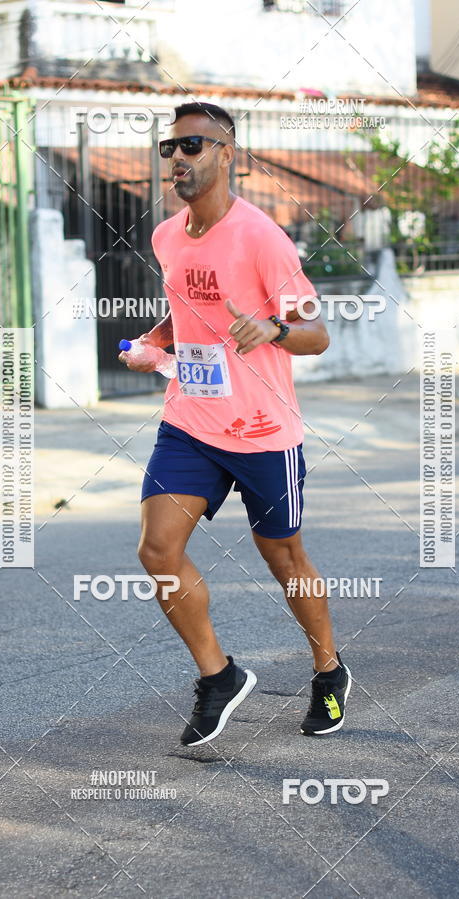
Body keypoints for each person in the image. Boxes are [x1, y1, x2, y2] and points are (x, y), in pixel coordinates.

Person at [120, 101, 350, 746]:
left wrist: (275, 327)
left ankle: (329, 672)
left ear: (227, 155)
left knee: (283, 556)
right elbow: (184, 315)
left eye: (192, 146)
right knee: (158, 549)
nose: (177, 160)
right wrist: (153, 340)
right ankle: (218, 677)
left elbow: (317, 333)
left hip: (262, 430)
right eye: (169, 149)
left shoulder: (263, 238)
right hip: (191, 419)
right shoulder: (167, 236)